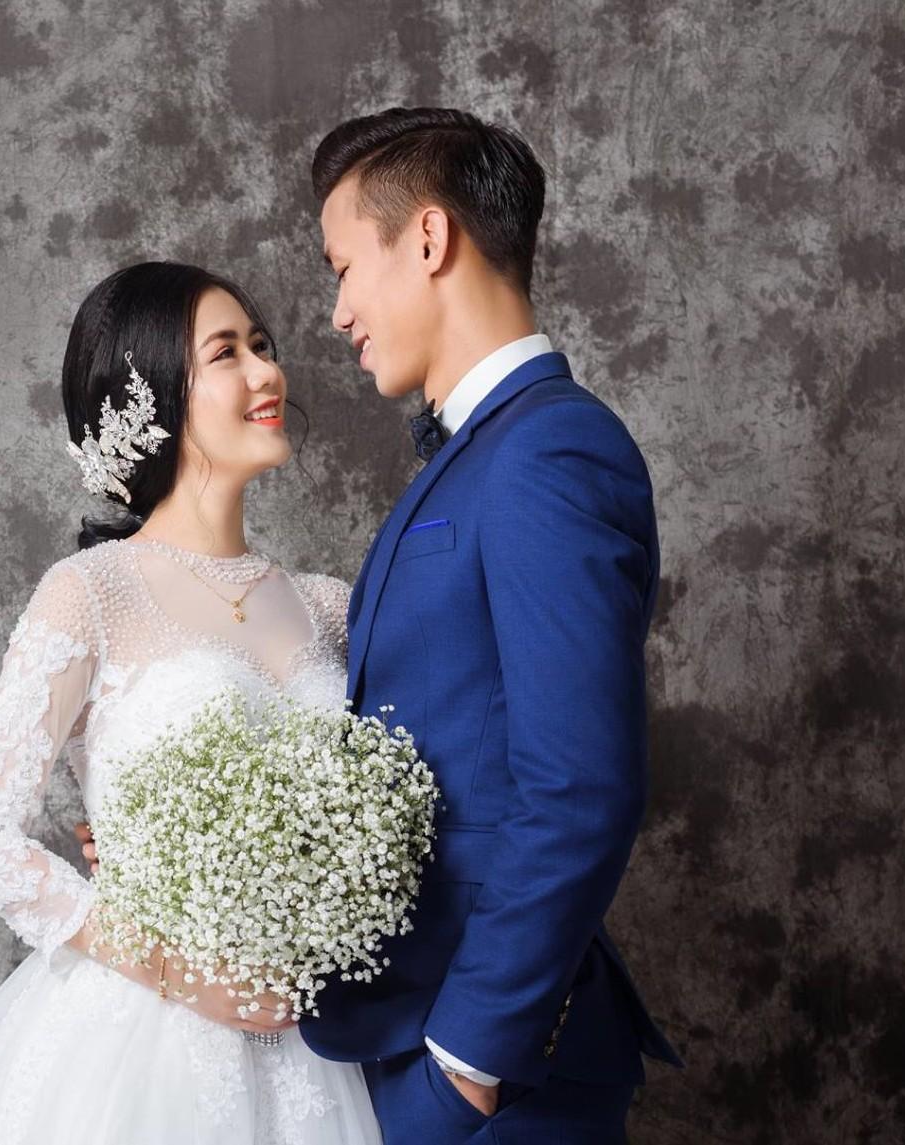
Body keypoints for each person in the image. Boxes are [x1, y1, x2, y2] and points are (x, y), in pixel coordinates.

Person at [0, 261, 384, 1144]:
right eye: (226, 354)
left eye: (262, 345)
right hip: (142, 1038)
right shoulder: (91, 591)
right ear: (150, 393)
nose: (267, 372)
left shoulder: (329, 607)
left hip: (312, 1044)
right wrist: (184, 972)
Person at [291, 106, 685, 1144]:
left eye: (343, 268)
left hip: (490, 1074)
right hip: (407, 1034)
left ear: (427, 238)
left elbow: (580, 786)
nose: (337, 311)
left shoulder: (549, 451)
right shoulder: (485, 452)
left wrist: (465, 1069)